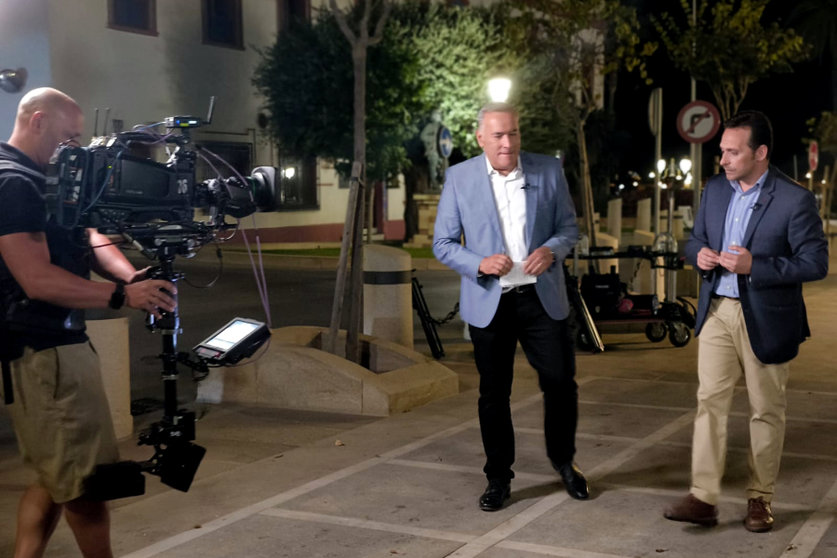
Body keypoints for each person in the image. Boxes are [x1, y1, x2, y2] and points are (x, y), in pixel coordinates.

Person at [0, 87, 177, 558]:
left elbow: (90, 235)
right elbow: (35, 278)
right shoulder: (13, 182)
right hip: (44, 355)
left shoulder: (49, 177)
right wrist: (122, 294)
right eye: (68, 137)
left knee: (51, 479)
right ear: (37, 122)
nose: (74, 148)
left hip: (56, 349)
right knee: (87, 488)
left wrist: (132, 276)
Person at [664, 110, 828, 532]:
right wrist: (697, 255)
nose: (722, 160)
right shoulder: (716, 190)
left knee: (765, 410)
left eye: (732, 152)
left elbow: (815, 263)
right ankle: (703, 497)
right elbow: (696, 238)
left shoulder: (794, 199)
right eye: (721, 151)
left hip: (767, 317)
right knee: (709, 402)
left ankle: (760, 499)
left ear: (761, 153)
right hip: (717, 308)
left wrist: (757, 265)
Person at [433, 102, 587, 511]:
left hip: (542, 298)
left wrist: (552, 250)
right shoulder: (459, 177)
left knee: (559, 383)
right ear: (481, 138)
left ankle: (564, 463)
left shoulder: (548, 170)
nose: (507, 143)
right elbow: (442, 244)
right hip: (490, 301)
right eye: (498, 135)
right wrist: (478, 263)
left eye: (513, 134)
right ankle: (498, 477)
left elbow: (569, 228)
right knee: (493, 394)